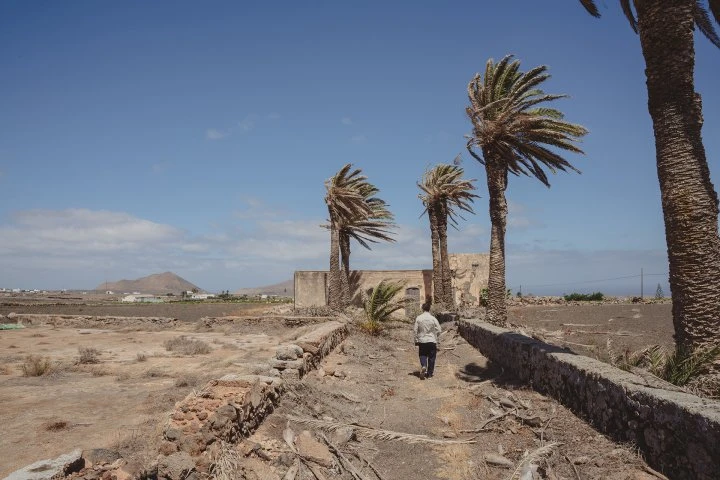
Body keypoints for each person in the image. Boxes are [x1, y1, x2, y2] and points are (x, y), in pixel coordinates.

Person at [413, 301, 441, 379]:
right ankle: (429, 374)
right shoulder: (433, 318)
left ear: (422, 309)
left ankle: (424, 366)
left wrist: (416, 340)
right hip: (432, 340)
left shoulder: (419, 318)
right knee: (432, 357)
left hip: (422, 340)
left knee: (422, 354)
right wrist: (436, 337)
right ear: (429, 309)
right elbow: (439, 329)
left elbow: (415, 330)